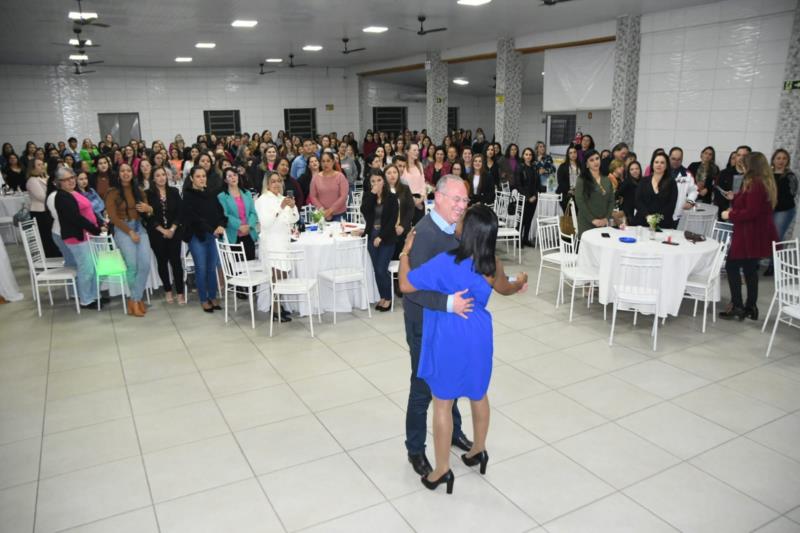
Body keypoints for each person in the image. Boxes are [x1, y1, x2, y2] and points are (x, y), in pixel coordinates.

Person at [398, 204, 528, 493]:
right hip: (479, 335)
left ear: (467, 230)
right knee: (478, 394)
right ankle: (477, 450)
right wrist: (520, 281)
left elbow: (405, 284)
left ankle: (442, 470)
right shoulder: (491, 262)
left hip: (449, 336)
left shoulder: (447, 262)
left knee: (443, 401)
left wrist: (405, 252)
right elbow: (505, 287)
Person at [401, 175, 476, 479]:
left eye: (465, 200)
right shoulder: (425, 234)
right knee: (422, 389)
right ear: (439, 198)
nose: (461, 206)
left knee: (450, 381)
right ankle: (415, 449)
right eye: (456, 199)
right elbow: (410, 287)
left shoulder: (453, 230)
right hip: (425, 324)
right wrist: (449, 304)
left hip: (448, 325)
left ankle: (454, 431)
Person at [720, 152, 778, 321]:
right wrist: (735, 197)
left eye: (744, 164)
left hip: (747, 234)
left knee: (732, 266)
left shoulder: (755, 183)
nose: (742, 167)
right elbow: (754, 204)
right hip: (756, 233)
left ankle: (737, 305)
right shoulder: (765, 182)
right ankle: (751, 306)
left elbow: (750, 212)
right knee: (750, 270)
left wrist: (729, 214)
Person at [106, 163, 153, 317]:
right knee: (132, 265)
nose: (126, 173)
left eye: (128, 171)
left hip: (140, 226)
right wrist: (129, 231)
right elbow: (112, 217)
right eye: (122, 171)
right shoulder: (112, 193)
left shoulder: (138, 190)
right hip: (123, 228)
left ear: (132, 173)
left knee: (145, 264)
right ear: (118, 174)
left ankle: (134, 298)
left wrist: (149, 209)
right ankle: (136, 301)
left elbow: (148, 210)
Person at [53, 167, 104, 308]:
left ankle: (94, 296)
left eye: (72, 177)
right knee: (86, 269)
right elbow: (75, 218)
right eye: (66, 179)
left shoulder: (74, 192)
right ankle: (86, 300)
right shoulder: (62, 197)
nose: (71, 181)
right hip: (77, 238)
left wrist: (99, 223)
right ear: (59, 182)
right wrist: (95, 228)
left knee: (93, 268)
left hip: (87, 235)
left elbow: (90, 210)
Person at [181, 166, 227, 313]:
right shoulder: (188, 195)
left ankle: (213, 296)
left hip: (212, 235)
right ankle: (203, 299)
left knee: (212, 268)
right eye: (198, 176)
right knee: (201, 268)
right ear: (191, 179)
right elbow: (195, 218)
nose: (201, 179)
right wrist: (211, 229)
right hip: (197, 235)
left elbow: (220, 213)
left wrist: (220, 225)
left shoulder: (210, 194)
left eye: (203, 176)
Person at [255, 171, 299, 322]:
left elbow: (294, 219)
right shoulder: (262, 200)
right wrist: (280, 208)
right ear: (267, 184)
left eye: (278, 181)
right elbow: (266, 223)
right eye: (273, 181)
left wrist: (293, 207)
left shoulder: (282, 198)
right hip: (271, 242)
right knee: (275, 276)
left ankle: (279, 305)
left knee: (283, 275)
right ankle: (275, 308)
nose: (276, 184)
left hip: (284, 241)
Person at [359, 170, 399, 312]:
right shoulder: (369, 196)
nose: (376, 183)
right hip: (371, 234)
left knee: (382, 269)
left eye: (379, 180)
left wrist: (381, 237)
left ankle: (388, 298)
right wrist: (371, 194)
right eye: (373, 181)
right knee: (377, 269)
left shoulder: (392, 198)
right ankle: (382, 296)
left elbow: (391, 221)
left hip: (386, 237)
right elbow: (364, 211)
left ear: (384, 181)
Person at [146, 166, 184, 305]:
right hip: (157, 234)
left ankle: (180, 292)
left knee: (176, 263)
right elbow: (148, 216)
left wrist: (172, 229)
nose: (161, 177)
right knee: (162, 263)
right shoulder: (148, 194)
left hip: (174, 232)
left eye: (163, 175)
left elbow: (180, 212)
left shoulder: (174, 191)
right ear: (153, 178)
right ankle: (168, 290)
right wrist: (162, 230)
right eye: (158, 175)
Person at [766, 148, 797, 276]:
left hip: (784, 210)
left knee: (776, 238)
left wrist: (774, 203)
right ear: (773, 160)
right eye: (778, 158)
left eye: (784, 158)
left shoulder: (790, 176)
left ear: (788, 161)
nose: (781, 161)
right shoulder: (767, 175)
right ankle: (756, 262)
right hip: (767, 210)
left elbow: (792, 195)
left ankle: (773, 266)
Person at [218, 168, 259, 260]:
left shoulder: (247, 193)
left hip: (249, 233)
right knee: (237, 269)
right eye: (229, 176)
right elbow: (225, 215)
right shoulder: (222, 196)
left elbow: (253, 212)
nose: (233, 178)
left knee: (251, 263)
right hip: (233, 235)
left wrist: (249, 226)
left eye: (235, 175)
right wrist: (240, 226)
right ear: (225, 180)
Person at [574, 150, 615, 237]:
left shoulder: (607, 179)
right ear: (587, 164)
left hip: (603, 222)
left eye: (597, 158)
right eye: (591, 160)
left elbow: (611, 200)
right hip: (587, 222)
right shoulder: (582, 179)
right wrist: (592, 220)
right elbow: (580, 201)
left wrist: (606, 218)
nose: (595, 162)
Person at [633, 153, 678, 229]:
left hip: (663, 225)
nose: (659, 165)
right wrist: (648, 217)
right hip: (642, 222)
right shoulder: (644, 181)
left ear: (666, 166)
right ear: (652, 164)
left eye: (662, 162)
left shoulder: (672, 183)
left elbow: (671, 205)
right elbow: (638, 201)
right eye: (656, 162)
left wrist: (656, 219)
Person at [26, 158, 61, 257]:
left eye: (42, 164)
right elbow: (42, 197)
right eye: (39, 165)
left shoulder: (46, 177)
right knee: (46, 237)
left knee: (51, 236)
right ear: (32, 168)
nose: (42, 167)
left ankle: (55, 255)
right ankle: (50, 257)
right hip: (39, 212)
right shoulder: (32, 180)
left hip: (47, 210)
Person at [309, 152, 348, 221]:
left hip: (339, 214)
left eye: (328, 161)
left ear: (333, 162)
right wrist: (323, 211)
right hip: (321, 214)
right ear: (320, 163)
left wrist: (330, 210)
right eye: (323, 161)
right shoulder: (315, 178)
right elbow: (313, 196)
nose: (325, 164)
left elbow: (343, 196)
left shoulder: (340, 177)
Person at [715, 145, 751, 215]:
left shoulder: (753, 176)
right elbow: (718, 193)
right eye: (739, 155)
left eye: (744, 155)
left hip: (744, 214)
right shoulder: (724, 173)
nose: (741, 158)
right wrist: (725, 208)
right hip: (726, 212)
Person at [517, 147, 541, 246]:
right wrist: (527, 197)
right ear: (523, 156)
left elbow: (537, 184)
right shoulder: (520, 168)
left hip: (534, 198)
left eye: (530, 154)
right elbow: (519, 185)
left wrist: (535, 195)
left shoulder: (534, 168)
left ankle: (526, 239)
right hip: (524, 198)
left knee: (529, 220)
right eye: (526, 154)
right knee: (522, 220)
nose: (528, 156)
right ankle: (518, 240)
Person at [668, 147, 698, 225]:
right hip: (661, 212)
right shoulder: (661, 172)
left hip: (678, 213)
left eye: (679, 159)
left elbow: (693, 190)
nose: (676, 161)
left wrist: (690, 201)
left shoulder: (687, 174)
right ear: (669, 158)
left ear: (682, 159)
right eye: (673, 159)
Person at [402, 143, 427, 224]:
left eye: (418, 150)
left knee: (419, 229)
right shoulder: (402, 166)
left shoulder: (419, 165)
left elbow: (423, 183)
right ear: (407, 151)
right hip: (406, 200)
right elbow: (400, 184)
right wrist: (411, 199)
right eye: (414, 150)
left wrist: (422, 198)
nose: (417, 152)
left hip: (419, 201)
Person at [556, 145, 581, 211]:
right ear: (568, 155)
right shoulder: (563, 166)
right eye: (570, 153)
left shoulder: (581, 166)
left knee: (577, 217)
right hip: (566, 194)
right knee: (568, 218)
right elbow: (560, 181)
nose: (573, 154)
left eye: (574, 152)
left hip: (579, 195)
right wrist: (569, 190)